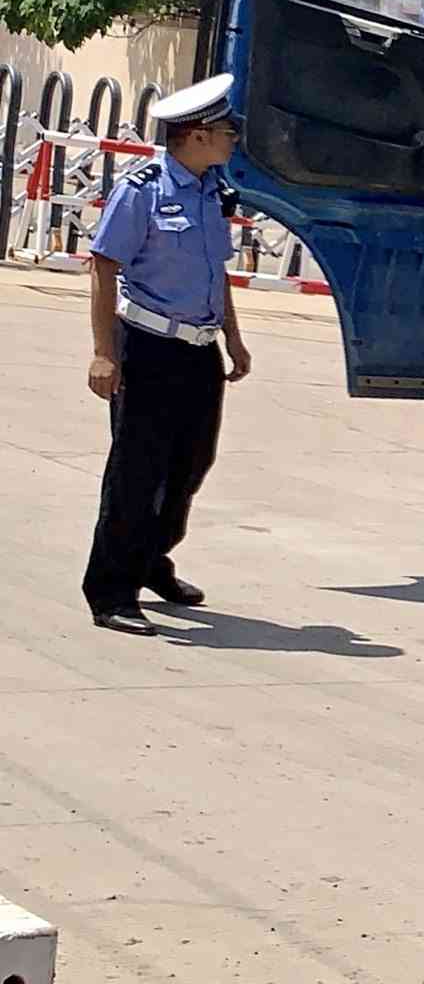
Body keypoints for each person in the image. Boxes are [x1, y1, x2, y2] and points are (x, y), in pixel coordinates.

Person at [81, 72, 254, 636]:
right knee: (137, 471)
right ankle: (111, 590)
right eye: (228, 130)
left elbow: (214, 272)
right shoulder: (143, 190)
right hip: (149, 347)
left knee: (189, 465)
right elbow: (105, 267)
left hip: (198, 351)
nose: (234, 139)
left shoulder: (210, 190)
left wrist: (232, 336)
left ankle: (152, 560)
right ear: (198, 136)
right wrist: (104, 353)